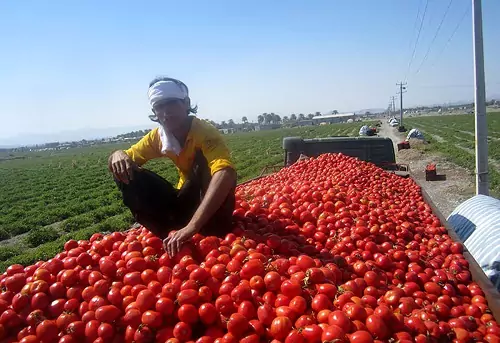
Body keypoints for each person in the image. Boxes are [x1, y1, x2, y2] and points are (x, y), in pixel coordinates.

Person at [108, 77, 237, 257]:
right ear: (154, 112)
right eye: (159, 106)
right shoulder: (158, 137)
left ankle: (209, 226)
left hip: (205, 203)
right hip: (184, 200)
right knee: (124, 169)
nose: (166, 112)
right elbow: (127, 157)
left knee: (209, 166)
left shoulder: (204, 132)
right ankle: (167, 233)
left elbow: (225, 173)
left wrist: (193, 227)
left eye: (171, 103)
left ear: (186, 103)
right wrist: (117, 154)